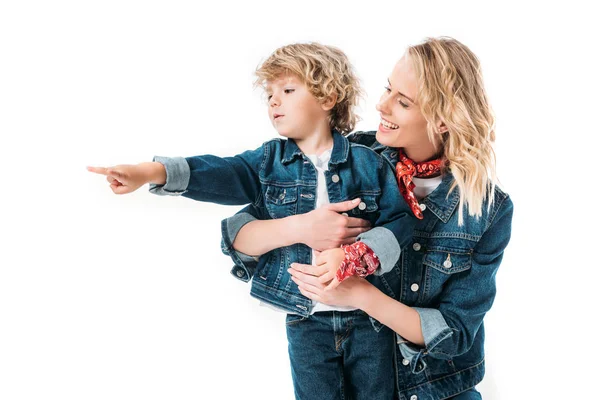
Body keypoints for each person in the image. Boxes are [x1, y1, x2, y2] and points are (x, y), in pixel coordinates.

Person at [87, 42, 416, 399]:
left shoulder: (368, 163)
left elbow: (400, 223)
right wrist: (151, 172)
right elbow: (218, 172)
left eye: (288, 90)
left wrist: (358, 254)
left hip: (370, 321)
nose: (274, 101)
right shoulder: (267, 162)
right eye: (270, 94)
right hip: (305, 320)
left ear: (328, 98)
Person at [221, 37, 513, 399]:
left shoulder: (487, 208)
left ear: (442, 120)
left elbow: (453, 332)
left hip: (435, 390)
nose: (381, 105)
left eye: (402, 102)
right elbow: (238, 236)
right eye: (388, 89)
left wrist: (360, 293)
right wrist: (301, 226)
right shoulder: (352, 158)